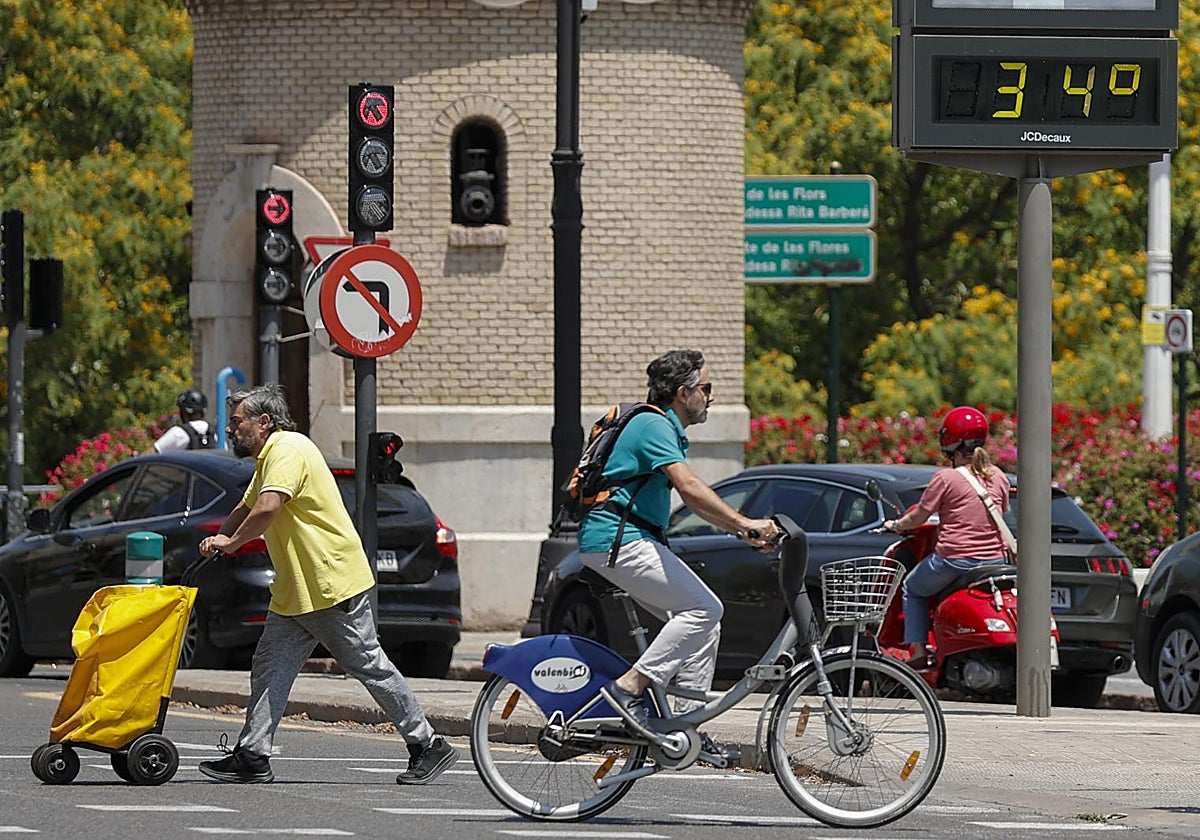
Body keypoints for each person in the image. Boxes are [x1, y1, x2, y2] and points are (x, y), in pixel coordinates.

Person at [195, 383, 458, 785]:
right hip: (298, 590)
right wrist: (220, 539)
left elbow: (268, 508)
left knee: (368, 664)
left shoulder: (288, 450)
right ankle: (252, 754)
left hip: (330, 584)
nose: (231, 429)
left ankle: (428, 744)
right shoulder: (271, 456)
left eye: (237, 422)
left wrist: (230, 543)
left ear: (263, 422)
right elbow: (247, 505)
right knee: (270, 667)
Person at [578, 349, 780, 766]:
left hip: (628, 538)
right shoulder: (652, 424)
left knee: (702, 625)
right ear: (683, 392)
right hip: (617, 539)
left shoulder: (660, 426)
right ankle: (629, 688)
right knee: (704, 608)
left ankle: (683, 726)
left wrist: (740, 530)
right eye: (706, 389)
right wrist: (745, 523)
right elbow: (688, 487)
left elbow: (698, 501)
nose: (711, 397)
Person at [884, 405, 1011, 669]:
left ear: (948, 441)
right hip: (996, 560)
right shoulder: (998, 476)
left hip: (955, 560)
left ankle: (917, 650)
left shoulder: (946, 478)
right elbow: (1002, 511)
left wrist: (896, 524)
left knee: (913, 587)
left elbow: (919, 516)